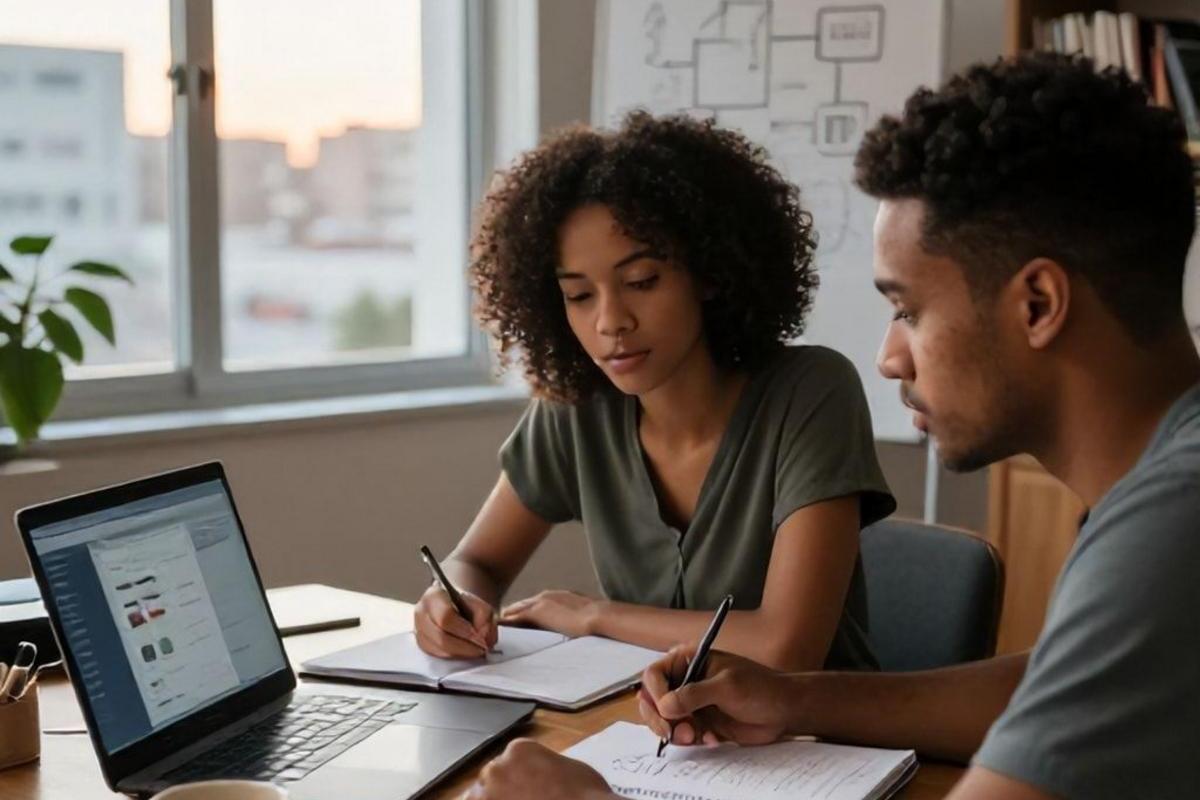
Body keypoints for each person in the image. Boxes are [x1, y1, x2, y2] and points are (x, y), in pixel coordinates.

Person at [465, 52, 1200, 800]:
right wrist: (795, 699)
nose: (889, 357)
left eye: (908, 309)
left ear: (1038, 304)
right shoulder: (1162, 492)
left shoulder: (1172, 532)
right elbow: (1051, 680)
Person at [413, 111, 895, 673]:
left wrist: (596, 616)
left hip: (824, 747)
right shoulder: (576, 409)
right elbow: (478, 561)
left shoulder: (811, 393)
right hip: (655, 738)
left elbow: (786, 647)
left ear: (709, 271)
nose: (610, 322)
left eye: (641, 282)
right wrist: (452, 600)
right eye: (578, 296)